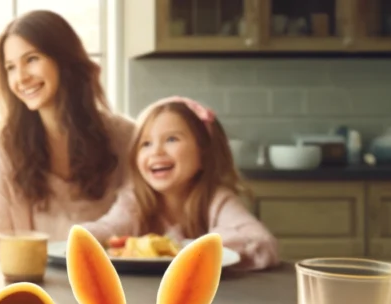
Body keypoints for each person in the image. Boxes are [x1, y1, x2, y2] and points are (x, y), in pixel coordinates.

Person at [0, 9, 135, 243]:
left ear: (64, 60)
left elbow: (143, 218)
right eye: (10, 67)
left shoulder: (124, 137)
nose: (20, 78)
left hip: (112, 276)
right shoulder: (4, 147)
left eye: (31, 59)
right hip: (35, 278)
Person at [82, 96, 280, 271]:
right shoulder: (134, 200)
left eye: (171, 139)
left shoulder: (216, 199)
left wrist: (182, 249)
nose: (156, 152)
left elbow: (259, 242)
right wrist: (83, 238)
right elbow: (109, 229)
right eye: (146, 144)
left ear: (204, 152)